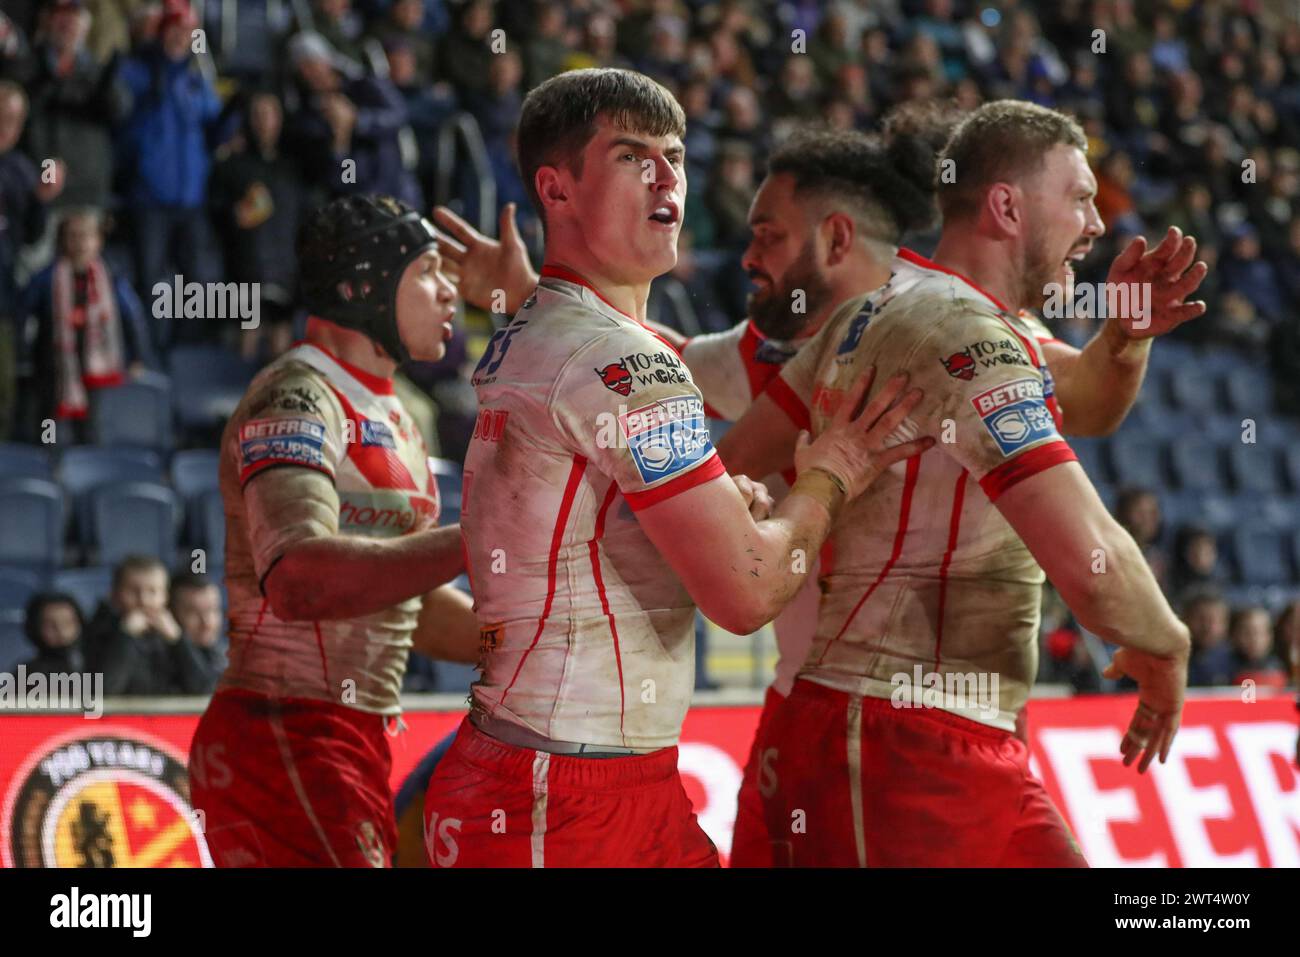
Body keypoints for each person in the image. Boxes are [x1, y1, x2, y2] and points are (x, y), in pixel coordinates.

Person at [421, 68, 931, 869]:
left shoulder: (545, 332)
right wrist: (834, 469)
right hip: (569, 796)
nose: (668, 178)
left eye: (676, 155)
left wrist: (726, 507)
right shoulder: (624, 359)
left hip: (556, 771)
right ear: (555, 189)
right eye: (632, 157)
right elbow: (748, 590)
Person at [718, 100, 1203, 866]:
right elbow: (1089, 557)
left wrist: (1124, 336)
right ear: (1008, 207)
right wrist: (1167, 645)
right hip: (896, 737)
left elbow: (1091, 405)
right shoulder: (966, 337)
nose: (1097, 222)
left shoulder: (882, 312)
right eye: (1079, 198)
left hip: (946, 733)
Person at [187, 194, 480, 868]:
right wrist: (482, 531)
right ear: (364, 287)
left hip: (347, 735)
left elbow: (414, 607)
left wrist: (523, 638)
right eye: (429, 270)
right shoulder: (293, 395)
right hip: (280, 727)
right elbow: (299, 578)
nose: (450, 291)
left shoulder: (402, 413)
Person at [21, 206, 156, 441]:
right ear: (62, 241)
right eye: (73, 236)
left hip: (94, 372)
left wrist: (138, 357)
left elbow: (134, 316)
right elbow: (21, 314)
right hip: (53, 370)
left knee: (91, 433)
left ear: (98, 241)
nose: (80, 243)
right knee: (48, 433)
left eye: (87, 236)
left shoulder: (112, 279)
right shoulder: (46, 279)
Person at [84, 555, 212, 695]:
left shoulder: (177, 634)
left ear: (165, 597)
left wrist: (178, 641)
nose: (144, 600)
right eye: (133, 591)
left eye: (153, 591)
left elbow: (204, 690)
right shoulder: (97, 632)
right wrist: (126, 636)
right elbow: (103, 691)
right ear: (115, 594)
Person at [169, 571, 225, 690]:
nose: (207, 623)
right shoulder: (155, 658)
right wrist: (179, 640)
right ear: (171, 615)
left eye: (212, 610)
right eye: (193, 613)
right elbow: (204, 689)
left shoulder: (225, 656)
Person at [19, 591, 85, 677]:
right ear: (35, 628)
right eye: (50, 625)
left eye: (68, 623)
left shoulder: (92, 663)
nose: (62, 632)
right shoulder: (27, 673)